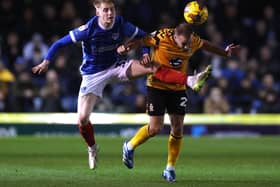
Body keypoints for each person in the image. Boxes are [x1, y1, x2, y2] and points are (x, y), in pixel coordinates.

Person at [32, 0, 209, 170]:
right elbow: (59, 43)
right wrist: (46, 61)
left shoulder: (121, 24)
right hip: (93, 75)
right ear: (98, 11)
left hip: (117, 67)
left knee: (152, 66)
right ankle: (92, 148)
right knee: (83, 119)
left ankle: (189, 80)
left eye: (112, 9)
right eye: (106, 10)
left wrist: (146, 52)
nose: (110, 13)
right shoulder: (88, 29)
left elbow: (144, 36)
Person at [121, 23, 240, 182]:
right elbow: (142, 40)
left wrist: (224, 53)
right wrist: (132, 48)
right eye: (183, 44)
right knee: (156, 128)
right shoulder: (162, 36)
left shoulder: (193, 40)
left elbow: (206, 45)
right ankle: (129, 147)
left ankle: (169, 169)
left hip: (178, 88)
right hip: (157, 85)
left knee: (177, 129)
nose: (186, 47)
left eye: (188, 43)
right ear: (175, 36)